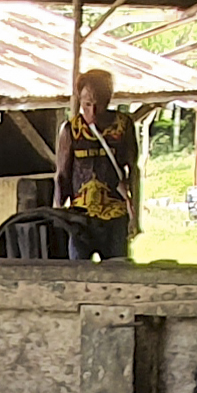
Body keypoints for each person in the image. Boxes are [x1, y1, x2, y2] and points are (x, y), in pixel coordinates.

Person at [53, 68, 140, 261]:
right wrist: (59, 214)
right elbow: (62, 175)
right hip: (81, 218)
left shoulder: (123, 126)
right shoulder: (71, 130)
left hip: (115, 216)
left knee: (117, 274)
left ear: (108, 100)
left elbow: (133, 171)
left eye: (97, 105)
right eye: (86, 104)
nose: (92, 112)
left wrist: (135, 215)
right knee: (79, 274)